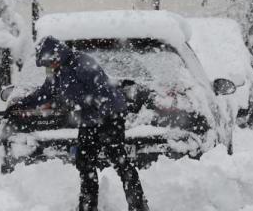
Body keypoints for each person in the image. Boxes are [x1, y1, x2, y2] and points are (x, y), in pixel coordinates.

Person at [9, 36, 149, 211]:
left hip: (109, 117)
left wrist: (88, 111)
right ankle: (88, 206)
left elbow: (103, 93)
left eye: (49, 63)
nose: (48, 67)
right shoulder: (58, 70)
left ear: (56, 56)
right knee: (85, 163)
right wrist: (22, 104)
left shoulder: (83, 64)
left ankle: (138, 206)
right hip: (89, 119)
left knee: (119, 161)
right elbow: (45, 92)